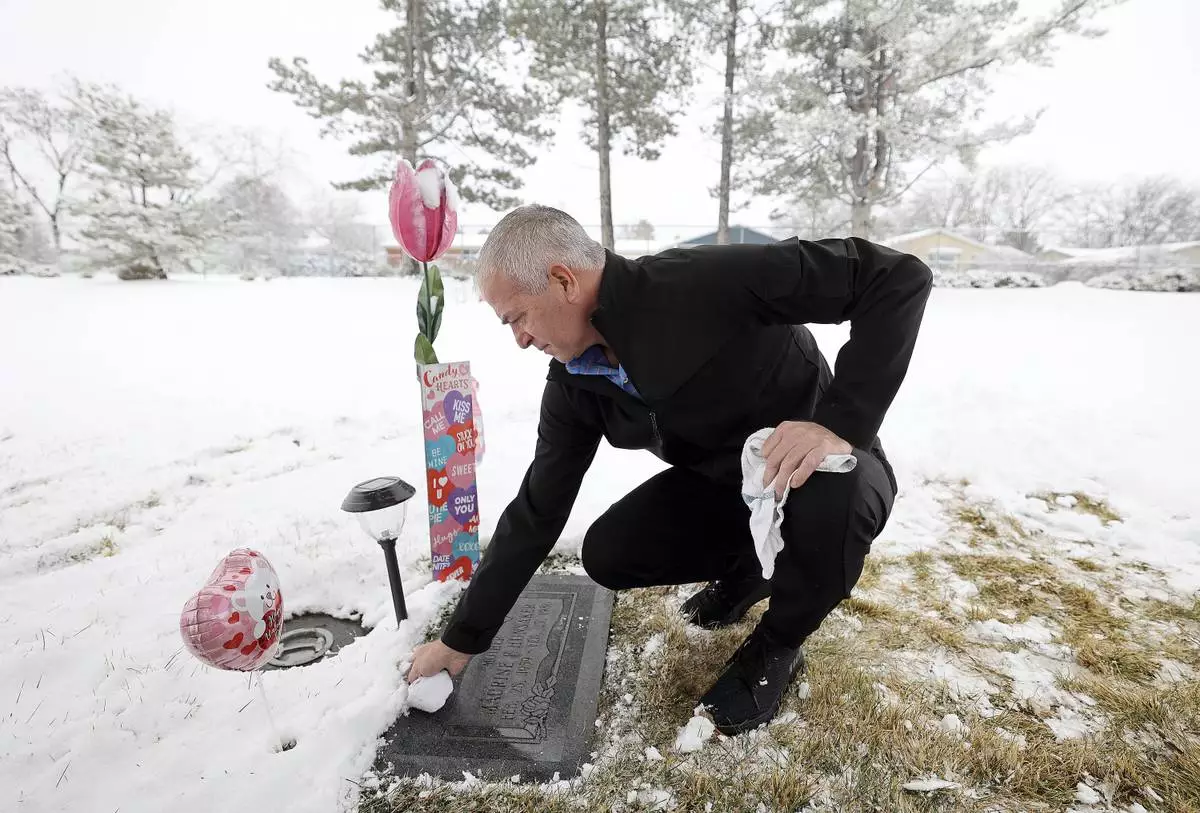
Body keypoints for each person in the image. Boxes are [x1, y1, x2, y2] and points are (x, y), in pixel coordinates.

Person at [406, 205, 932, 735]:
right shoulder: (575, 383)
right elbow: (538, 509)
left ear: (564, 281)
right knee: (609, 552)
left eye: (517, 317)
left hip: (827, 474)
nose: (519, 338)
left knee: (830, 492)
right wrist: (462, 638)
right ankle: (754, 571)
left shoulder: (704, 283)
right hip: (728, 490)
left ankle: (776, 646)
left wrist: (838, 424)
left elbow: (895, 276)